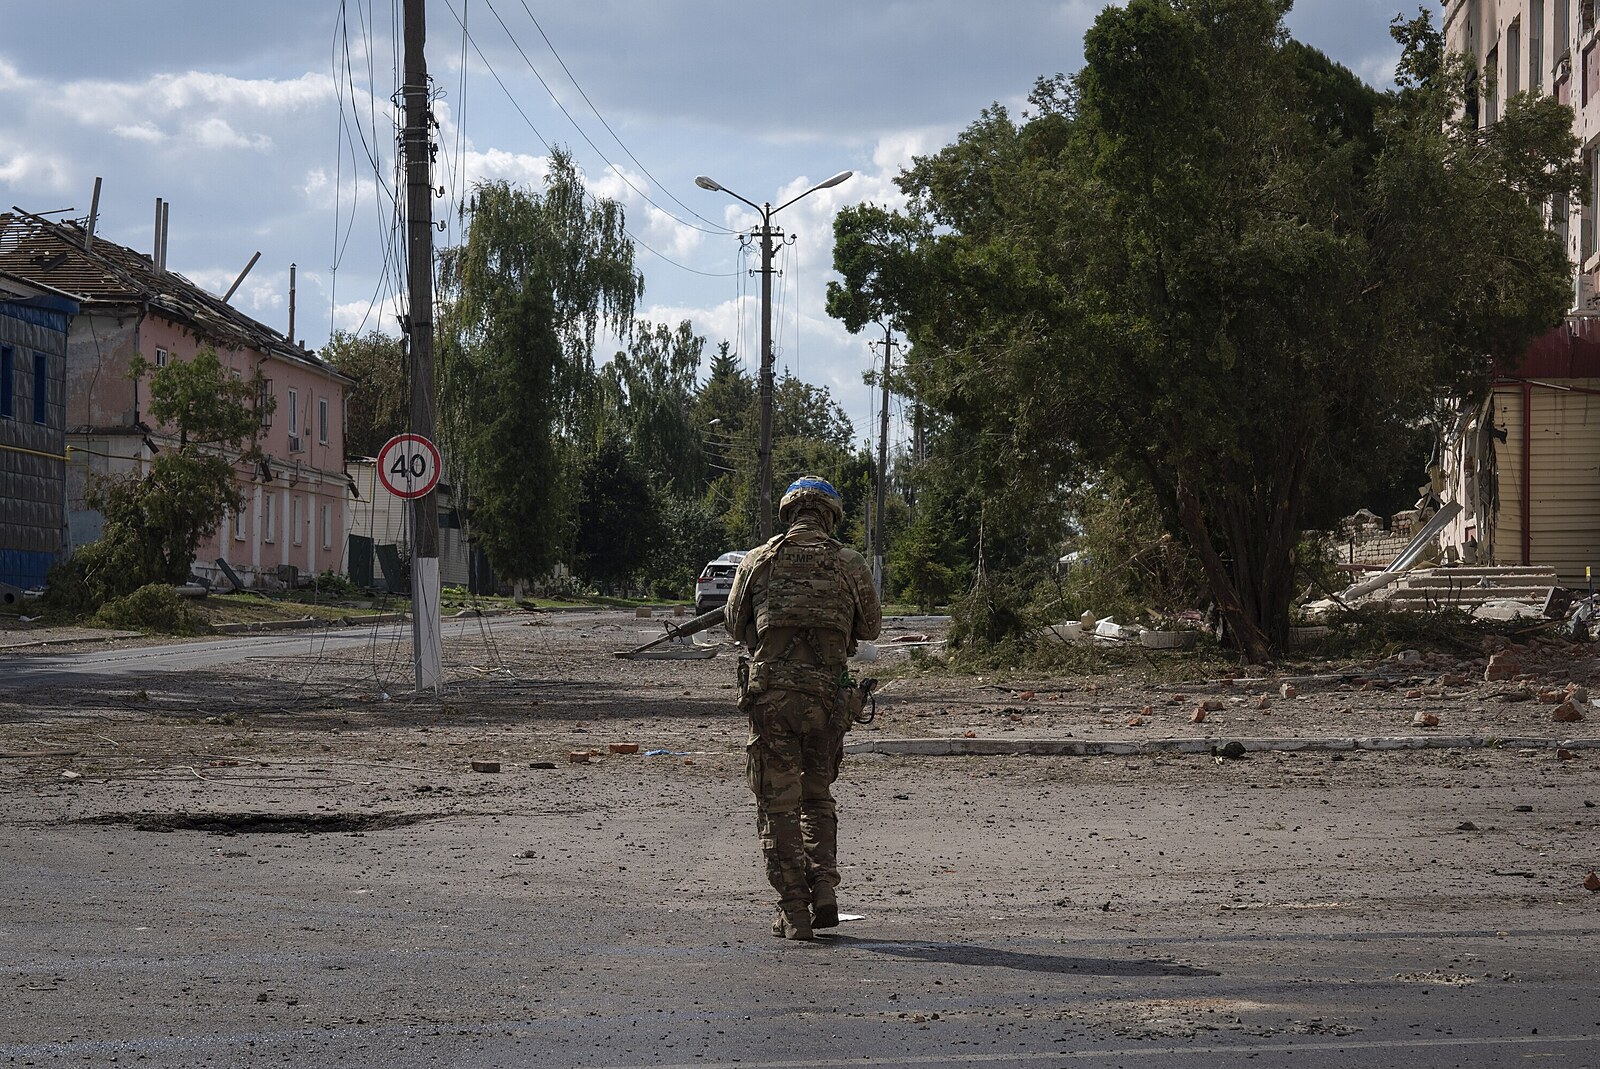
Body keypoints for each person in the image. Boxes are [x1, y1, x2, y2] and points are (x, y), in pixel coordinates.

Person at [725, 476, 882, 941]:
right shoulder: (849, 564)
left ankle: (794, 908)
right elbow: (871, 628)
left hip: (773, 701)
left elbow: (736, 623)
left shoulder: (758, 561)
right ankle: (825, 888)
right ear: (830, 515)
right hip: (828, 702)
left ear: (789, 513)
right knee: (816, 796)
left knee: (778, 804)